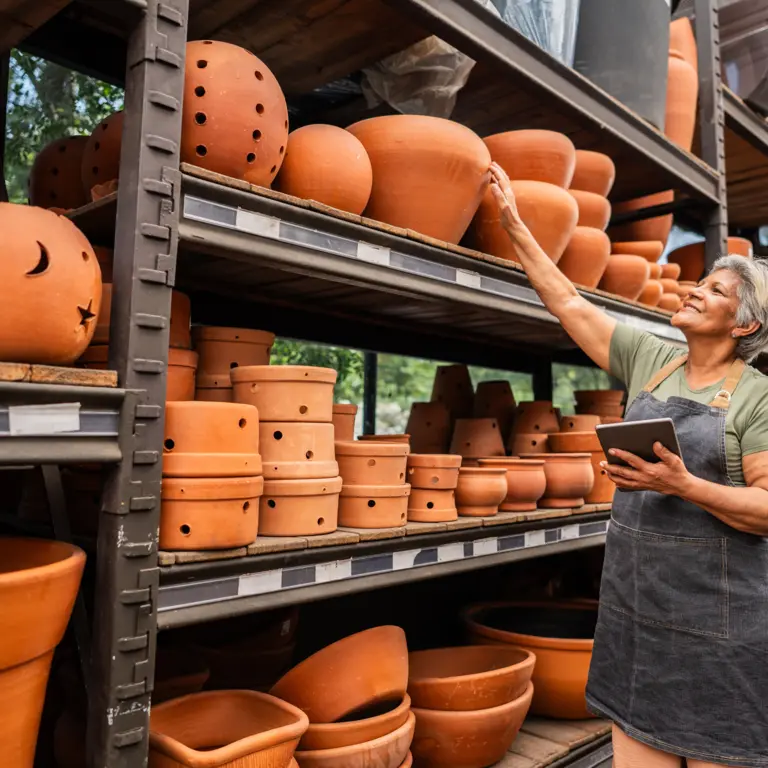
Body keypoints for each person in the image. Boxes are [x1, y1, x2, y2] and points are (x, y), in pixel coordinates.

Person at [489, 162, 768, 768]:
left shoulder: (757, 396)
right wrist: (514, 224)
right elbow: (566, 300)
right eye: (700, 281)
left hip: (720, 636)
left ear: (744, 323)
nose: (694, 290)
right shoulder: (650, 359)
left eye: (715, 291)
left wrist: (684, 485)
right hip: (637, 622)